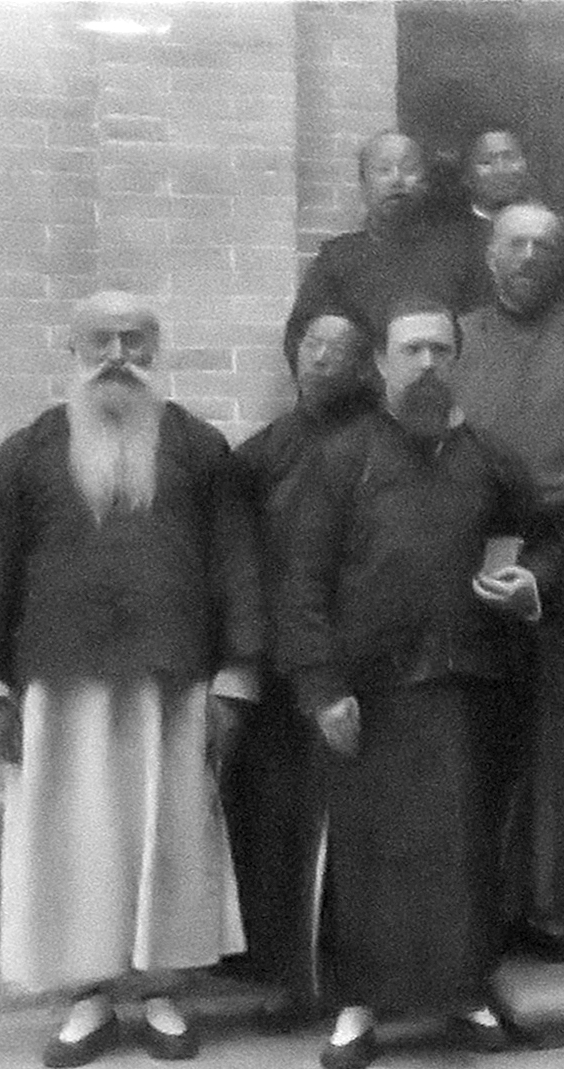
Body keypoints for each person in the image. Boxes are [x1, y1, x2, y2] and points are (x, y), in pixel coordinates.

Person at [0, 291, 263, 1067]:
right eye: (102, 341)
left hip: (173, 683)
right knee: (72, 842)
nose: (119, 357)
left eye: (135, 340)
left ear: (158, 351)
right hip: (61, 688)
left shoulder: (200, 449)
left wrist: (236, 677)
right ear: (74, 353)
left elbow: (236, 565)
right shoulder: (25, 453)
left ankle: (160, 990)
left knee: (170, 835)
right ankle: (86, 996)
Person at [275, 299, 547, 1069]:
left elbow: (545, 543)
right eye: (410, 350)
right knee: (371, 857)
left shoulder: (492, 460)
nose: (426, 364)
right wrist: (322, 687)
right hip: (371, 695)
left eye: (439, 350)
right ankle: (358, 1006)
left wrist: (531, 584)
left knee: (464, 850)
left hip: (469, 688)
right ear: (380, 363)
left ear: (457, 360)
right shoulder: (342, 459)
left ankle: (463, 991)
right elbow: (302, 580)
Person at [455, 203, 564, 962]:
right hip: (467, 564)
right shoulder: (456, 339)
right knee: (474, 747)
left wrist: (549, 576)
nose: (529, 257)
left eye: (544, 245)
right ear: (490, 255)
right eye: (515, 243)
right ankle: (481, 910)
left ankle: (557, 907)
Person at [225, 308, 380, 1030]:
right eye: (311, 345)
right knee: (279, 830)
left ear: (365, 365)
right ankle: (288, 976)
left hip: (362, 667)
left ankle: (362, 976)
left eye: (338, 350)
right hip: (281, 669)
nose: (320, 359)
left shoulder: (382, 445)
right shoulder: (260, 455)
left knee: (360, 835)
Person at [283, 132, 469, 362]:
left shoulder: (458, 253)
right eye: (383, 170)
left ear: (426, 183)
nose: (397, 180)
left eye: (409, 170)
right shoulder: (337, 258)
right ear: (363, 185)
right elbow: (303, 342)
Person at [435, 128, 538, 314]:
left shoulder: (550, 233)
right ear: (467, 177)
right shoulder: (448, 242)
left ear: (526, 165)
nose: (501, 170)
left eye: (510, 158)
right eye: (486, 162)